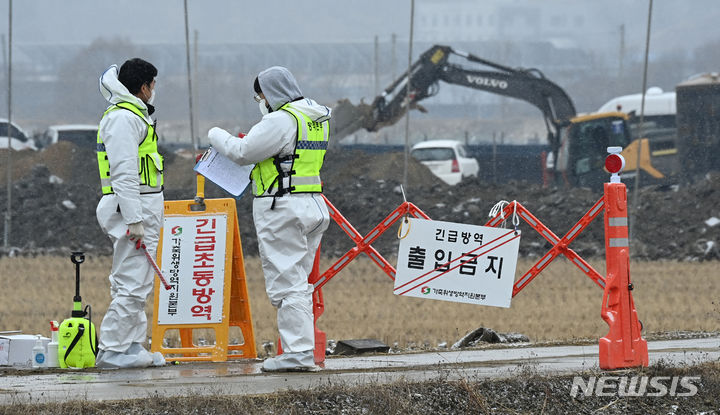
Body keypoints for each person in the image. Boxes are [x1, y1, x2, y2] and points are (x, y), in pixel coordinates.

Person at [207, 66, 331, 372]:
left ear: (269, 93)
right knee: (299, 283)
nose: (259, 101)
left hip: (282, 208)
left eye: (259, 95)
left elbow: (243, 151)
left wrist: (215, 135)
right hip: (312, 204)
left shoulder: (281, 120)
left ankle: (298, 353)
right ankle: (300, 350)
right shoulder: (314, 118)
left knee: (287, 284)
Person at [94, 58, 166, 368]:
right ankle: (113, 348)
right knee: (131, 281)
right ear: (143, 87)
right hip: (131, 208)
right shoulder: (124, 118)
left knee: (137, 280)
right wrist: (135, 219)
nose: (154, 90)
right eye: (152, 84)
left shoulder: (132, 115)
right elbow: (124, 172)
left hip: (137, 205)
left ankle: (131, 346)